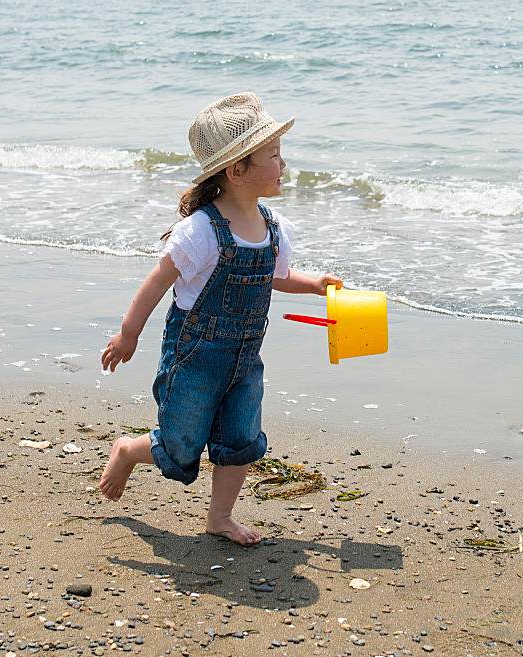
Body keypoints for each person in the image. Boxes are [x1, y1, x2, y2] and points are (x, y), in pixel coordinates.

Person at [97, 92, 341, 545]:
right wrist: (127, 334)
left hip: (245, 356)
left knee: (241, 438)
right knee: (182, 443)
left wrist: (314, 285)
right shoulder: (201, 232)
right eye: (273, 155)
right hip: (195, 355)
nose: (283, 164)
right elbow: (156, 283)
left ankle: (220, 516)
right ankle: (130, 451)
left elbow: (276, 276)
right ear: (236, 170)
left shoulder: (273, 227)